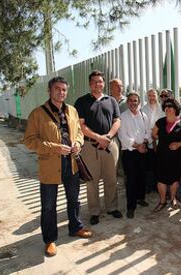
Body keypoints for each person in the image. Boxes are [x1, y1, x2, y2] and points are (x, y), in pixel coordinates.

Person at [23, 76, 92, 257]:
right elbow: (29, 141)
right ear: (49, 91)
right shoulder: (37, 114)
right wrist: (54, 148)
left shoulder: (72, 110)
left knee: (74, 199)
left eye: (64, 89)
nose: (61, 92)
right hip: (50, 165)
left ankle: (75, 227)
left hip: (72, 163)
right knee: (48, 206)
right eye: (57, 89)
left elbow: (78, 133)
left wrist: (78, 142)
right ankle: (50, 240)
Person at [74, 70, 122, 225]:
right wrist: (98, 138)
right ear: (90, 84)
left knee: (111, 178)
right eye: (94, 81)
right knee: (92, 181)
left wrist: (107, 137)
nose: (97, 84)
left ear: (103, 83)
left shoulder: (112, 101)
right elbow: (81, 126)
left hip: (110, 145)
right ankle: (94, 211)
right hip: (90, 147)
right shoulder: (81, 101)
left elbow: (117, 121)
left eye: (100, 81)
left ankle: (112, 207)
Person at [152, 98, 181, 212]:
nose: (167, 108)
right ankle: (162, 201)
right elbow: (154, 135)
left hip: (176, 156)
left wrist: (178, 144)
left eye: (170, 106)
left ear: (176, 108)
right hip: (162, 155)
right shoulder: (160, 121)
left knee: (174, 179)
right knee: (161, 179)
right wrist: (163, 140)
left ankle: (173, 199)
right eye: (166, 106)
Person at [118, 92, 151, 219]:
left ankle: (140, 198)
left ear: (139, 102)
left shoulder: (144, 116)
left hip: (142, 151)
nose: (133, 103)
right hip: (130, 153)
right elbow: (123, 136)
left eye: (135, 100)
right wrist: (138, 146)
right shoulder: (122, 117)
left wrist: (145, 142)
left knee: (142, 176)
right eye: (130, 100)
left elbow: (148, 132)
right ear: (127, 103)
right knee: (131, 180)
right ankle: (131, 207)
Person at [158, 89, 181, 202]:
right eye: (163, 95)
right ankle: (166, 195)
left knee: (179, 173)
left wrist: (179, 143)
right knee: (165, 172)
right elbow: (154, 132)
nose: (165, 97)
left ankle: (177, 194)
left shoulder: (180, 109)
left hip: (178, 148)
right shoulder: (158, 109)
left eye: (167, 95)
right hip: (163, 148)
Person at [141, 88, 163, 193]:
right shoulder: (143, 109)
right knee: (150, 166)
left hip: (161, 141)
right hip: (149, 142)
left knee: (160, 165)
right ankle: (150, 187)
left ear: (157, 96)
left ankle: (160, 187)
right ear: (147, 97)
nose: (152, 97)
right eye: (149, 95)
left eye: (153, 95)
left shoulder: (163, 108)